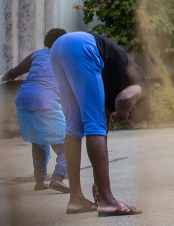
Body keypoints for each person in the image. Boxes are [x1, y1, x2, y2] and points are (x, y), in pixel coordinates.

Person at [50, 32, 150, 215]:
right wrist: (123, 113)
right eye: (131, 118)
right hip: (84, 46)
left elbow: (101, 133)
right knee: (93, 124)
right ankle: (107, 201)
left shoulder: (109, 88)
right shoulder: (143, 86)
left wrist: (98, 182)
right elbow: (124, 99)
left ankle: (76, 199)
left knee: (73, 126)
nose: (126, 120)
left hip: (58, 48)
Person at [2, 28, 70, 193]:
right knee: (67, 145)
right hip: (45, 103)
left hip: (23, 102)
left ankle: (40, 181)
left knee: (39, 142)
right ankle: (58, 178)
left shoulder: (38, 54)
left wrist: (3, 78)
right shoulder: (67, 58)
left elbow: (15, 72)